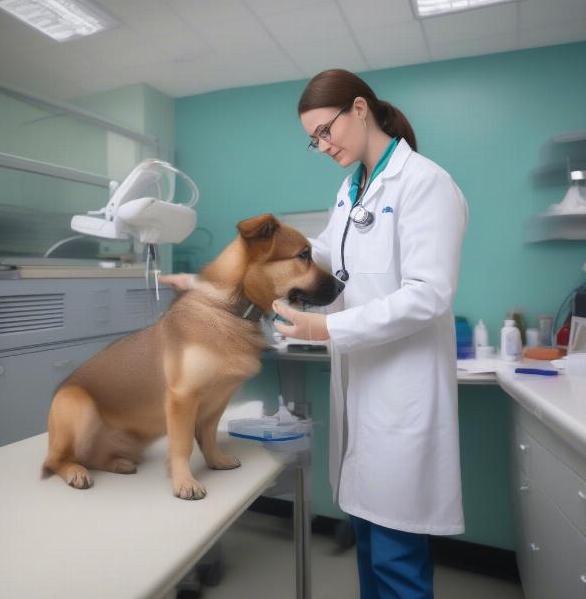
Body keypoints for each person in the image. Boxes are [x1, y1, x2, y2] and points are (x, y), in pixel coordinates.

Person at [161, 68, 468, 599]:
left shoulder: (425, 182)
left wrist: (326, 326)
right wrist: (246, 265)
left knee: (396, 557)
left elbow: (429, 294)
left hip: (402, 394)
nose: (322, 145)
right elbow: (324, 252)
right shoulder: (353, 188)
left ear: (359, 108)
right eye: (314, 139)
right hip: (362, 391)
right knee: (371, 545)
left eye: (326, 130)